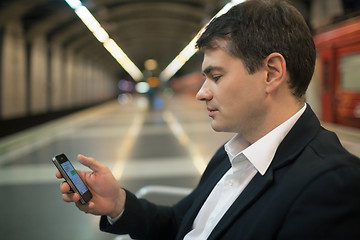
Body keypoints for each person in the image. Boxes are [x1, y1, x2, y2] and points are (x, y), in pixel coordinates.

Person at [57, 0, 360, 239]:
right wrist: (118, 203)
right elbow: (180, 224)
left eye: (216, 76)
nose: (202, 93)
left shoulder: (332, 185)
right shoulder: (234, 153)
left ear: (271, 73)